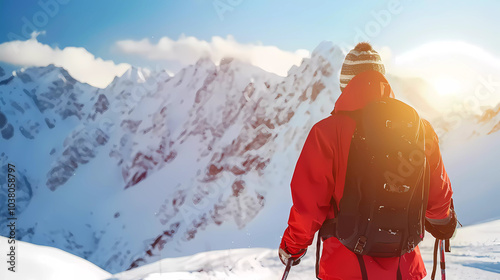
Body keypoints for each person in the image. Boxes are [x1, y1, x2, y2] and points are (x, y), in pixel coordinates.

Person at [278, 42, 456, 280]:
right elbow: (438, 198)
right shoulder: (420, 130)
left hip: (344, 269)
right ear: (384, 81)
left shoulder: (326, 132)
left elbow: (308, 208)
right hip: (406, 268)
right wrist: (444, 224)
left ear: (345, 85)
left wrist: (292, 247)